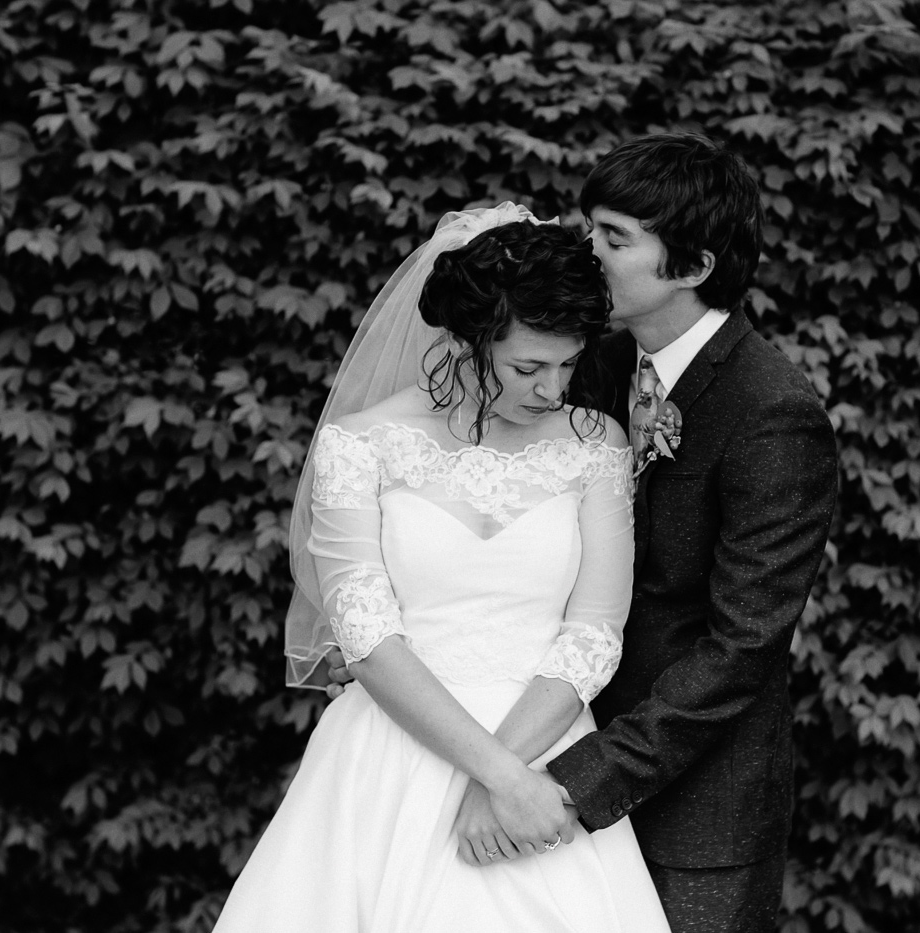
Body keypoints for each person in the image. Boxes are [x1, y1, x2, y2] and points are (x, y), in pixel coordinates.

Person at [211, 205, 670, 933]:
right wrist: (497, 773)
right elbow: (366, 639)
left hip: (545, 745)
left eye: (568, 363)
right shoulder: (358, 446)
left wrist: (510, 781)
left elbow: (593, 632)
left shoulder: (594, 445)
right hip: (390, 751)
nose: (553, 389)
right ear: (465, 342)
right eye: (527, 366)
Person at [541, 133, 839, 931]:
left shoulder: (771, 412)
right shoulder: (590, 368)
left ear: (695, 265)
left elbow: (741, 648)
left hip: (693, 813)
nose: (587, 251)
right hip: (551, 756)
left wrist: (580, 778)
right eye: (588, 228)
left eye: (614, 237)